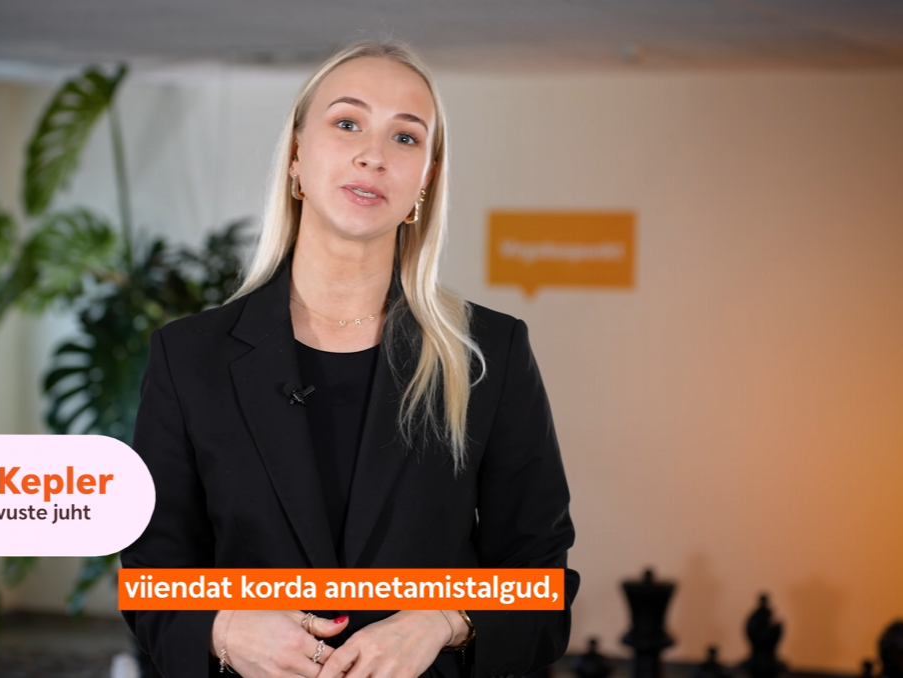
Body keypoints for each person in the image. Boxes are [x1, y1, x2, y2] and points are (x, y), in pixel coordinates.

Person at [121, 39, 579, 678]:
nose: (374, 154)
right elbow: (151, 576)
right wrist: (224, 628)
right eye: (346, 123)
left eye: (406, 137)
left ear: (426, 179)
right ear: (296, 155)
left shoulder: (491, 354)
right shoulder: (189, 357)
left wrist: (443, 621)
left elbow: (539, 578)